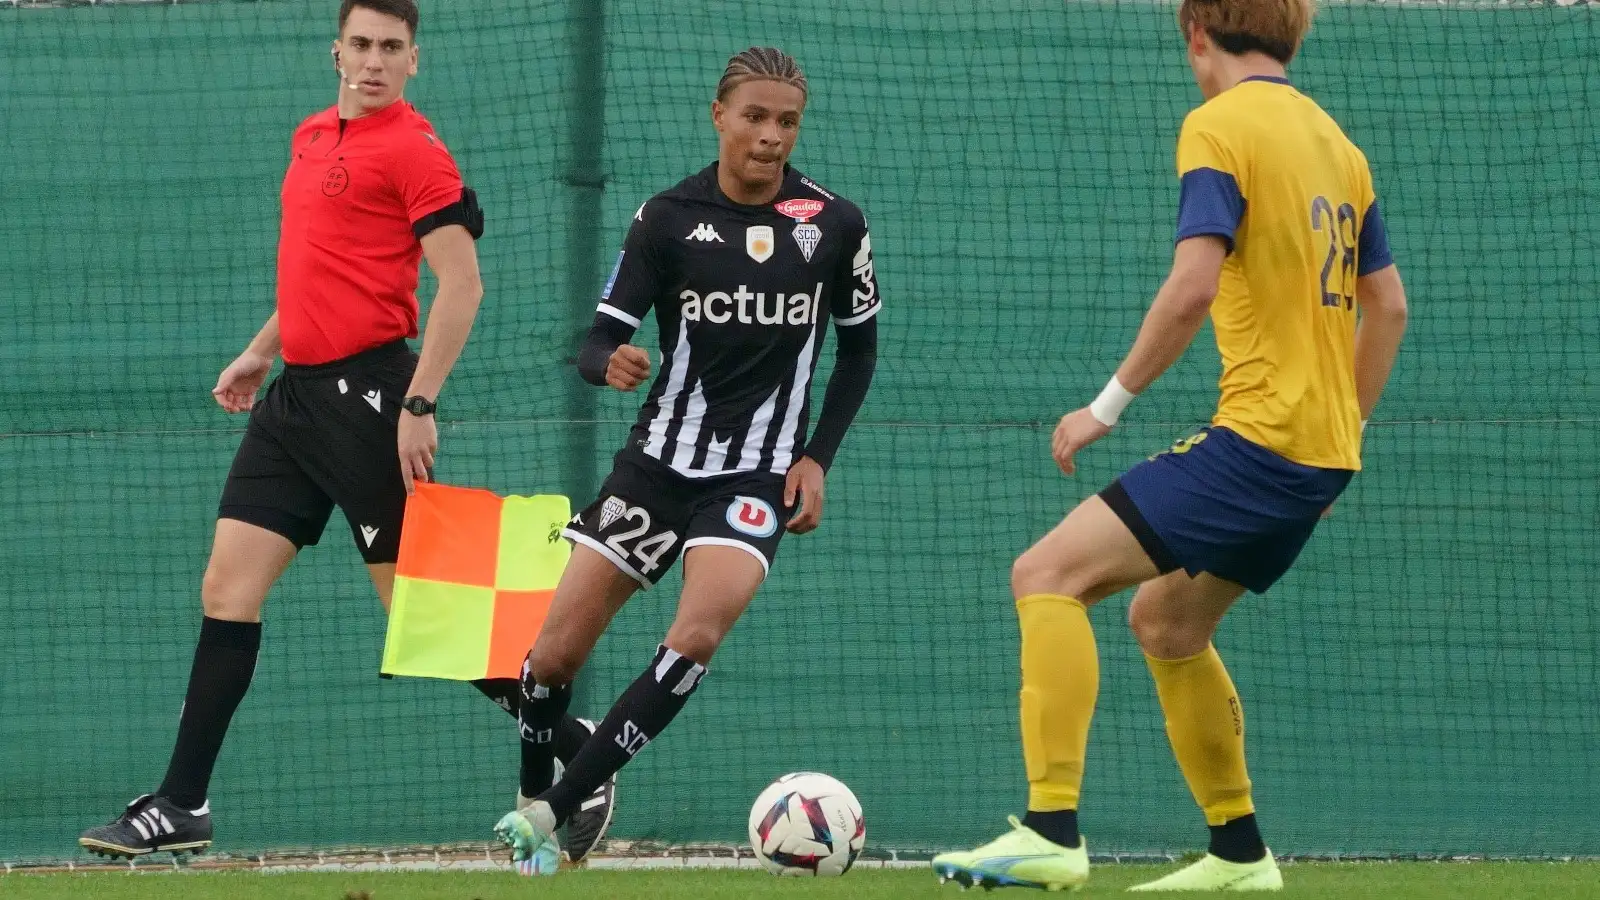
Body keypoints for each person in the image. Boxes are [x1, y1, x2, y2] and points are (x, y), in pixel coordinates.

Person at [77, 0, 609, 860]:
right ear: (336, 52)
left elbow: (461, 286)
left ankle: (577, 748)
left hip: (371, 394)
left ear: (413, 61)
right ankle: (182, 804)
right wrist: (259, 353)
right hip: (293, 399)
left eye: (391, 48)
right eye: (360, 44)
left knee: (417, 613)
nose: (373, 60)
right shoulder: (311, 137)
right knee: (227, 588)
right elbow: (317, 271)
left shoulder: (415, 150)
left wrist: (419, 402)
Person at [931, 0, 1409, 892]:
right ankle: (1240, 855)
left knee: (1044, 575)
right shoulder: (1339, 147)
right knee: (1166, 621)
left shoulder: (1217, 126)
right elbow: (1389, 306)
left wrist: (1103, 407)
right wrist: (1348, 434)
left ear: (1197, 34)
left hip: (1261, 441)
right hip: (1316, 453)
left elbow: (1191, 287)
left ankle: (1050, 830)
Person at [492, 46, 882, 875]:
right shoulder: (665, 218)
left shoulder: (834, 224)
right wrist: (611, 363)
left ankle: (555, 813)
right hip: (657, 468)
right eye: (755, 117)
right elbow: (598, 341)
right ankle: (539, 793)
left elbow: (858, 353)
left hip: (757, 478)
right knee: (550, 660)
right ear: (719, 115)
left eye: (787, 122)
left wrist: (817, 458)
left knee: (697, 632)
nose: (770, 136)